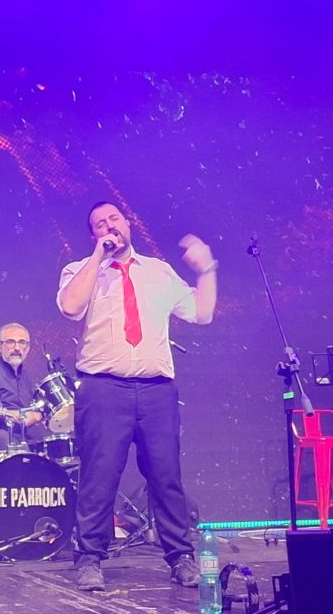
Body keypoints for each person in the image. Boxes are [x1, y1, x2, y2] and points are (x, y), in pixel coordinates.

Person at [57, 201, 217, 592]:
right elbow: (70, 307)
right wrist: (98, 257)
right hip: (103, 388)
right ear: (93, 235)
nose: (108, 226)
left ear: (128, 224)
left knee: (166, 476)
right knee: (98, 477)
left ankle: (180, 557)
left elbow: (202, 313)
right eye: (99, 224)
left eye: (113, 218)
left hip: (156, 390)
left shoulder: (158, 272)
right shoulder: (80, 270)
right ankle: (90, 559)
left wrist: (207, 271)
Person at [0, 322, 48, 456]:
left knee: (52, 443)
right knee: (6, 439)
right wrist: (15, 415)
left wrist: (38, 415)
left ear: (28, 348)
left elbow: (39, 409)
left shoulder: (30, 377)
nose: (17, 348)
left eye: (22, 342)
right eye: (10, 342)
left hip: (25, 435)